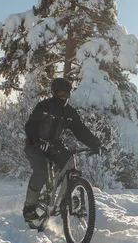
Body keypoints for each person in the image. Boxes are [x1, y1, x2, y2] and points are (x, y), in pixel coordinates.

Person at [22, 77, 104, 223]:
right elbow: (30, 126)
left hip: (54, 145)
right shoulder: (44, 106)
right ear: (54, 93)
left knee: (70, 164)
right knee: (41, 173)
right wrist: (37, 141)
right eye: (60, 94)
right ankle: (29, 207)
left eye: (66, 94)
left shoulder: (69, 112)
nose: (63, 97)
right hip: (35, 145)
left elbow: (81, 131)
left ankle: (69, 197)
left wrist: (96, 145)